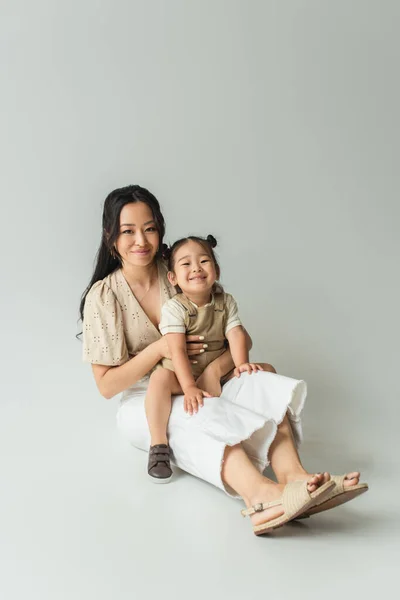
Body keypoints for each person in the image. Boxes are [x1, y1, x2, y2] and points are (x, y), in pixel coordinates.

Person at [80, 184, 368, 535]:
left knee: (258, 382)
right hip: (144, 398)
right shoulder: (104, 296)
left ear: (161, 229)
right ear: (111, 237)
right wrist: (161, 350)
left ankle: (297, 479)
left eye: (150, 228)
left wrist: (215, 372)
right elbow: (106, 386)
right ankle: (261, 495)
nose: (141, 240)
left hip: (204, 376)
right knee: (198, 415)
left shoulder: (180, 269)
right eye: (128, 231)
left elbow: (239, 335)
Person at [145, 233, 265, 483]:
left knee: (265, 369)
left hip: (216, 374)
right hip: (181, 376)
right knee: (159, 378)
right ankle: (158, 445)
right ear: (173, 278)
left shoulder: (225, 302)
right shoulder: (175, 308)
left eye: (204, 261)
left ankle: (260, 431)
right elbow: (176, 350)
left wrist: (242, 365)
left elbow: (235, 334)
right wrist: (188, 387)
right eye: (186, 264)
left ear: (217, 270)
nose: (196, 268)